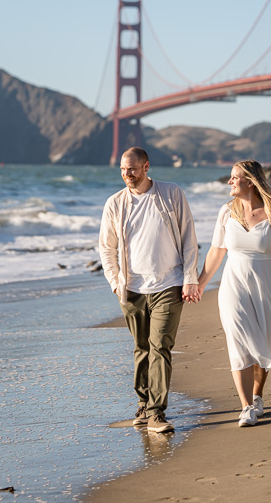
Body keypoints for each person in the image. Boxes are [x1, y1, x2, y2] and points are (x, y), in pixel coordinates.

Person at [99, 146, 199, 433]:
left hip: (169, 283)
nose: (126, 174)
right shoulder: (115, 203)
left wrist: (189, 277)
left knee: (160, 347)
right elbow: (107, 247)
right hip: (131, 288)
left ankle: (157, 413)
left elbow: (189, 237)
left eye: (131, 168)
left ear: (145, 167)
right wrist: (115, 281)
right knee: (142, 348)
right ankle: (143, 403)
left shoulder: (171, 193)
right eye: (122, 169)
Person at [197, 159, 271, 427]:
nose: (229, 181)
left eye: (235, 177)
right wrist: (200, 283)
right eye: (230, 177)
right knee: (239, 339)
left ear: (251, 182)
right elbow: (217, 251)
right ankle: (245, 407)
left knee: (263, 342)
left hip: (268, 284)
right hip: (233, 284)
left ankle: (257, 396)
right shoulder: (226, 212)